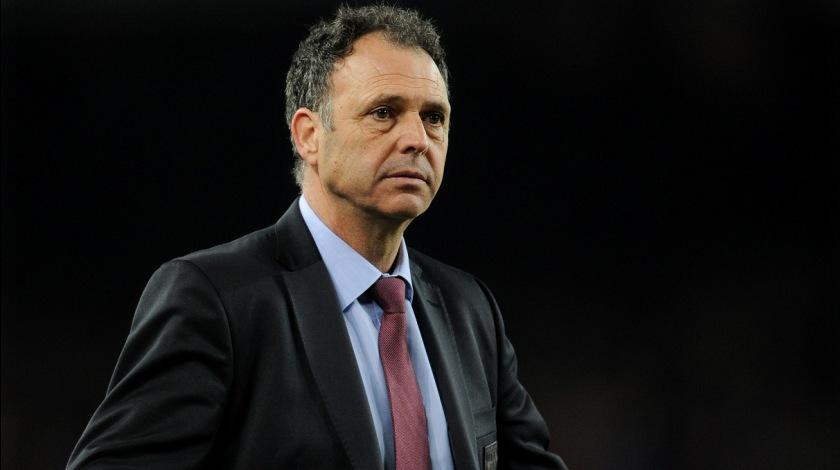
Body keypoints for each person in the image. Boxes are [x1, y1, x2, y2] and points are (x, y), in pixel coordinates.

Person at [67, 5, 566, 470]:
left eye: (433, 117)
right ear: (308, 135)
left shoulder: (470, 309)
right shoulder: (216, 300)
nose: (417, 139)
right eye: (384, 112)